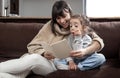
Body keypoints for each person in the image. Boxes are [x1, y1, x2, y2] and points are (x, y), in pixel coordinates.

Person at [0, 0, 105, 78]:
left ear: (70, 12)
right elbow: (32, 46)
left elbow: (99, 42)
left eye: (64, 16)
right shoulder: (49, 26)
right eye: (58, 18)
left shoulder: (78, 25)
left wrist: (84, 51)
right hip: (47, 61)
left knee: (33, 59)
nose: (62, 21)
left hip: (57, 65)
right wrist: (44, 53)